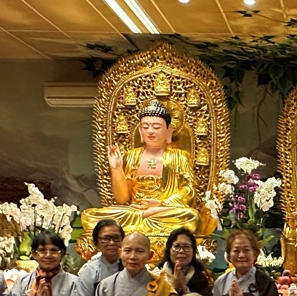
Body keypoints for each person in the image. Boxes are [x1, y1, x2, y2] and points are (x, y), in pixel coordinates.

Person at [80, 100, 204, 237]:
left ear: (169, 130)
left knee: (191, 216)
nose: (150, 131)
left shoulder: (179, 157)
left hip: (164, 211)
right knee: (89, 216)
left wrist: (161, 204)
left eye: (156, 127)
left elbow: (188, 190)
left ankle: (143, 220)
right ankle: (144, 218)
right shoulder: (131, 156)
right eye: (145, 127)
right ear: (140, 130)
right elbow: (122, 199)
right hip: (133, 211)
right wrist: (116, 169)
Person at [158, 227, 216, 296]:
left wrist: (184, 288)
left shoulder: (200, 277)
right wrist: (173, 287)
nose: (181, 251)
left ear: (193, 252)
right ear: (169, 250)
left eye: (186, 247)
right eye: (176, 246)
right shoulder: (157, 275)